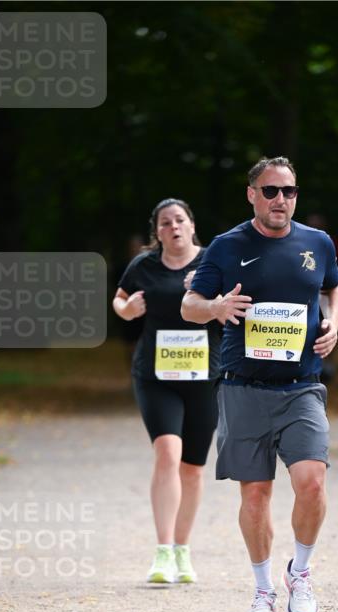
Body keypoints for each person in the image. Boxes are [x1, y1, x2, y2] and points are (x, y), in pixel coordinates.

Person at [181, 156, 338, 612]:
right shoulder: (227, 246)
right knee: (255, 494)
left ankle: (301, 572)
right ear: (252, 194)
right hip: (243, 387)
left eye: (289, 191)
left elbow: (335, 289)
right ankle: (262, 589)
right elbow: (189, 305)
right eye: (270, 191)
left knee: (312, 481)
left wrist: (334, 320)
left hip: (302, 386)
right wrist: (216, 306)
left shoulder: (317, 243)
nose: (280, 200)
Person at [112, 198, 220, 584]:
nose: (173, 227)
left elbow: (232, 305)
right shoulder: (144, 265)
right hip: (156, 374)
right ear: (156, 232)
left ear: (192, 225)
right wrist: (126, 311)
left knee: (193, 467)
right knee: (167, 453)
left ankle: (182, 550)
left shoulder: (212, 261)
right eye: (164, 223)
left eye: (179, 220)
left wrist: (204, 296)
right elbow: (120, 298)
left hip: (204, 375)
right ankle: (161, 552)